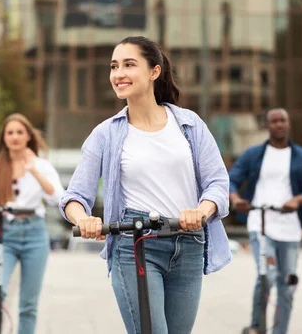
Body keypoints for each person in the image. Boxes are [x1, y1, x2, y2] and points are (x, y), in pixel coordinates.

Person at [59, 36, 231, 334]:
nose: (118, 74)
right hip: (136, 245)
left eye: (129, 65)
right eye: (114, 66)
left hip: (188, 243)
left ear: (154, 71)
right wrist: (83, 218)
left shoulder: (188, 125)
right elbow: (75, 195)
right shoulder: (106, 134)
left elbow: (217, 182)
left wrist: (201, 211)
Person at [228, 107, 302, 334]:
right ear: (267, 125)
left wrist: (299, 200)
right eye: (274, 121)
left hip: (291, 229)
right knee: (267, 276)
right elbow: (231, 179)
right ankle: (256, 327)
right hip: (261, 225)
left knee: (288, 284)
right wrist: (235, 198)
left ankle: (280, 330)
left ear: (288, 124)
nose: (279, 124)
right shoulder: (253, 155)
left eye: (283, 120)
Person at [0, 113, 64, 334]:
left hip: (35, 234)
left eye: (20, 132)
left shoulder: (41, 165)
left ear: (28, 136)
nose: (15, 137)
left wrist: (33, 170)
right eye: (10, 133)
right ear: (4, 138)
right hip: (6, 235)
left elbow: (57, 197)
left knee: (28, 304)